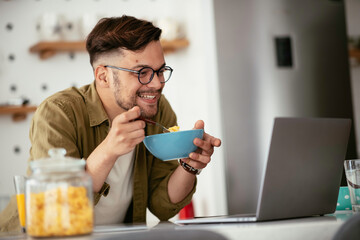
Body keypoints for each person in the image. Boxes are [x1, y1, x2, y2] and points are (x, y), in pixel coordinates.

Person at [0, 15, 221, 230]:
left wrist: (189, 165)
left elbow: (163, 207)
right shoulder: (58, 112)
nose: (156, 83)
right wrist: (108, 150)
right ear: (103, 76)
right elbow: (56, 207)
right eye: (142, 72)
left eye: (160, 70)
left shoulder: (158, 109)